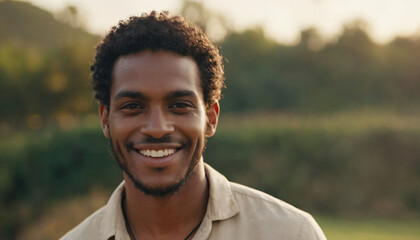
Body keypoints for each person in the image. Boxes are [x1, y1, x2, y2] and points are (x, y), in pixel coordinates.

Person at [61, 11, 326, 240]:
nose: (157, 128)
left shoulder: (291, 233)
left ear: (211, 118)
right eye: (133, 106)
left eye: (179, 105)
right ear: (105, 120)